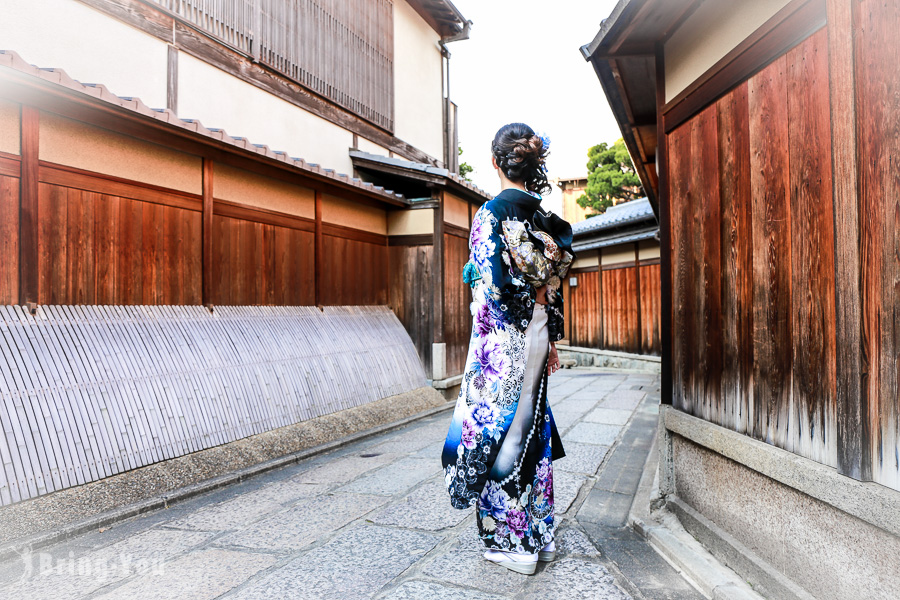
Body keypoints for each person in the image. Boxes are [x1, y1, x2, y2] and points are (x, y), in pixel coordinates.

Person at [442, 122, 574, 575]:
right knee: (530, 422)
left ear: (496, 161)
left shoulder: (491, 214)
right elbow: (551, 287)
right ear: (531, 163)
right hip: (536, 328)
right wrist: (550, 336)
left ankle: (515, 543)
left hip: (502, 336)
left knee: (499, 431)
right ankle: (541, 530)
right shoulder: (541, 215)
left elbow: (490, 290)